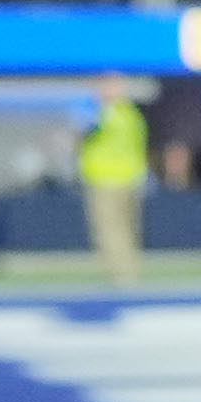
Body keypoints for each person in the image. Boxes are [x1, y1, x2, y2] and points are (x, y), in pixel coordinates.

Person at [74, 75, 149, 281]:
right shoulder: (130, 113)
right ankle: (128, 272)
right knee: (124, 228)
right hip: (127, 178)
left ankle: (123, 274)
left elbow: (83, 135)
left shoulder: (102, 112)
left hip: (107, 179)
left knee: (113, 229)